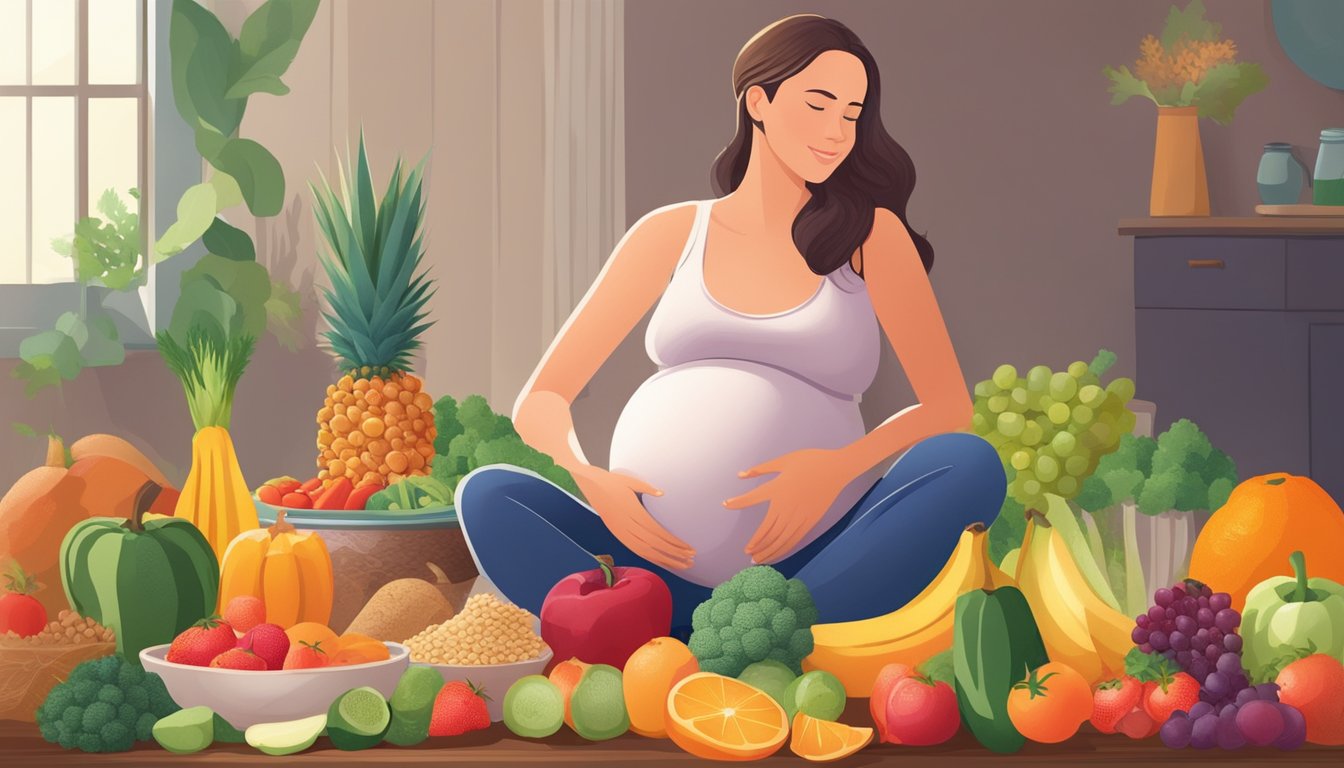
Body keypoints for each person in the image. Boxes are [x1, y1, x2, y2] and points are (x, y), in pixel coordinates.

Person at [455, 14, 1006, 634]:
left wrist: (837, 467)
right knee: (487, 495)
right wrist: (594, 480)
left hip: (813, 557)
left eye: (851, 114)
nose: (836, 133)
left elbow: (947, 405)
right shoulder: (671, 232)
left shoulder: (870, 236)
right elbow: (543, 399)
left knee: (970, 464)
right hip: (649, 561)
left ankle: (741, 627)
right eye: (819, 104)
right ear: (759, 101)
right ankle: (724, 631)